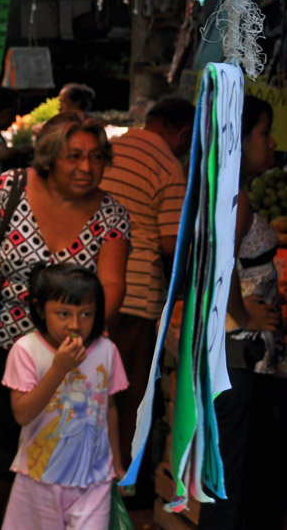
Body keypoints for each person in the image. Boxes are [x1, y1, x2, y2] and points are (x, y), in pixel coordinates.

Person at [0, 113, 131, 530]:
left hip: (74, 361)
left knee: (58, 455)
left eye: (96, 157)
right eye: (74, 156)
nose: (86, 167)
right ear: (48, 159)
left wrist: (86, 335)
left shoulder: (112, 214)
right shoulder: (9, 189)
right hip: (2, 349)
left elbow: (112, 284)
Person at [97, 95, 193, 498]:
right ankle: (119, 484)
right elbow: (172, 246)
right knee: (125, 392)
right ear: (183, 134)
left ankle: (90, 473)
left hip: (91, 292)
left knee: (91, 389)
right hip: (134, 299)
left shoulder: (110, 149)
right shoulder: (169, 168)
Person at [198, 95, 286, 530]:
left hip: (230, 357)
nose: (271, 143)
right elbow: (220, 261)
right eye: (263, 133)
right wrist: (245, 315)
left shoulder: (219, 187)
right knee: (230, 480)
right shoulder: (234, 196)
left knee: (232, 474)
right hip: (237, 358)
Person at [0, 264, 127, 530]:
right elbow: (22, 413)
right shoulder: (26, 351)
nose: (75, 324)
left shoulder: (107, 350)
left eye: (86, 314)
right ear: (40, 310)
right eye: (63, 313)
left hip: (94, 480)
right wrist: (59, 368)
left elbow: (109, 408)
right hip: (39, 480)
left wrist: (116, 462)